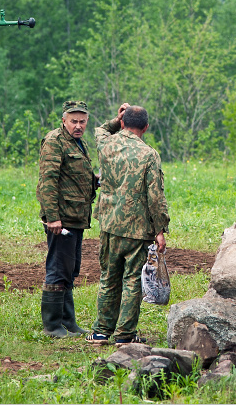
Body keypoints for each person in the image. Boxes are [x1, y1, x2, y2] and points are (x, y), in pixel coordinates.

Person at [86, 104, 169, 345]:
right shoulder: (149, 154)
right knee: (133, 280)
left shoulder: (106, 144)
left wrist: (117, 117)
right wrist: (160, 230)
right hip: (137, 228)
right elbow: (155, 196)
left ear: (123, 123)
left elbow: (101, 130)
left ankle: (101, 331)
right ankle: (124, 335)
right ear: (146, 127)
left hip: (109, 224)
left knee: (109, 277)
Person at [36, 100, 98, 338]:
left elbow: (73, 176)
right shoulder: (55, 141)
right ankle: (52, 326)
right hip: (61, 219)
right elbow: (48, 181)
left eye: (82, 121)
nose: (78, 125)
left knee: (70, 269)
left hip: (76, 216)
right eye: (74, 121)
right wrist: (52, 218)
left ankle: (68, 322)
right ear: (64, 120)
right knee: (58, 269)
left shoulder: (78, 143)